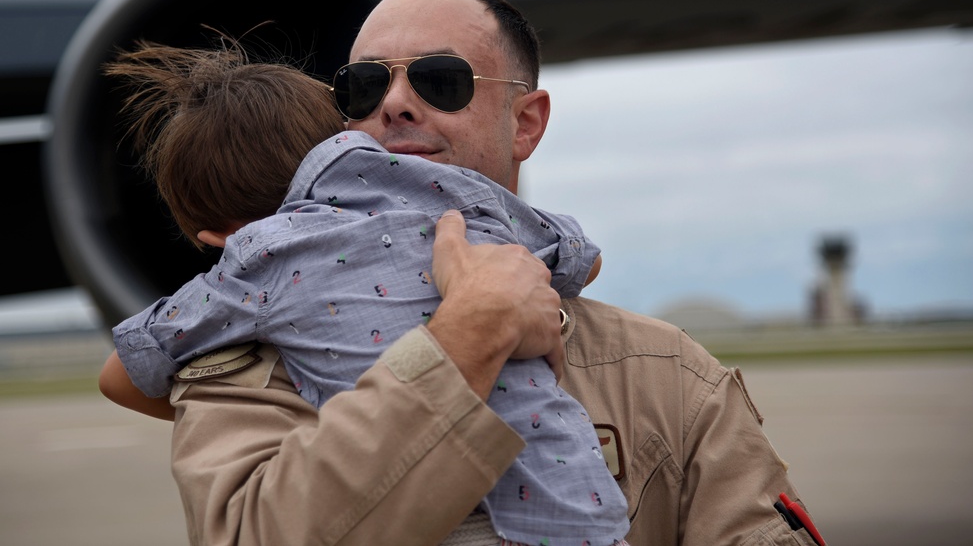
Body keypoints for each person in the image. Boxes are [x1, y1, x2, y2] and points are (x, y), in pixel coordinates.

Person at [166, 0, 825, 546]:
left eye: (440, 80)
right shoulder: (247, 371)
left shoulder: (667, 379)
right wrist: (462, 342)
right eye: (363, 86)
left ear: (526, 122)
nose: (394, 103)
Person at [99, 40, 629, 546]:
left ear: (217, 239)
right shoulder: (455, 196)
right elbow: (587, 257)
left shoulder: (256, 258)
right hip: (590, 499)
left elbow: (120, 378)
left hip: (481, 518)